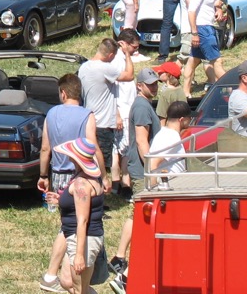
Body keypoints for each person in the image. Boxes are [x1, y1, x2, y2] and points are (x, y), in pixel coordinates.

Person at [37, 74, 105, 293]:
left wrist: (43, 175)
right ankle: (52, 273)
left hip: (59, 174)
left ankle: (52, 273)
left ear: (63, 93)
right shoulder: (87, 115)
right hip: (80, 174)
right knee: (68, 226)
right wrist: (102, 176)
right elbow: (92, 146)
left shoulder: (51, 113)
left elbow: (46, 148)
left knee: (67, 224)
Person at [110, 67, 161, 274]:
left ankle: (120, 257)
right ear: (139, 86)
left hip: (142, 170)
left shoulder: (144, 104)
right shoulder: (141, 107)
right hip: (143, 171)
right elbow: (141, 142)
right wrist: (151, 170)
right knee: (140, 215)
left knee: (137, 213)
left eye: (156, 82)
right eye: (150, 83)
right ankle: (122, 258)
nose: (154, 86)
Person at [53, 137, 106, 294]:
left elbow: (82, 220)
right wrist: (60, 200)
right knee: (67, 281)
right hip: (78, 237)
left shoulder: (81, 184)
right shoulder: (85, 177)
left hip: (83, 239)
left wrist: (79, 255)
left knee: (79, 290)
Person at [79, 37, 135, 176]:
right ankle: (100, 190)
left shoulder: (84, 67)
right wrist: (127, 54)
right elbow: (130, 75)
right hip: (103, 123)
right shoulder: (104, 68)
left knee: (90, 159)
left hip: (88, 120)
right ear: (110, 55)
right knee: (100, 162)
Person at [181, 0, 226, 96]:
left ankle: (185, 92)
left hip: (205, 27)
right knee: (216, 60)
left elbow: (203, 6)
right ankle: (231, 88)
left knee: (192, 61)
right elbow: (191, 10)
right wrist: (194, 33)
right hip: (203, 29)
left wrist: (216, 7)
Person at [111, 28, 142, 192]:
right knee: (124, 150)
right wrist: (116, 114)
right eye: (134, 47)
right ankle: (123, 184)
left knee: (119, 150)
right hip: (121, 113)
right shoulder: (117, 61)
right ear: (124, 44)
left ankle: (118, 185)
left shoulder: (123, 58)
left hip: (126, 110)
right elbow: (113, 90)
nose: (136, 51)